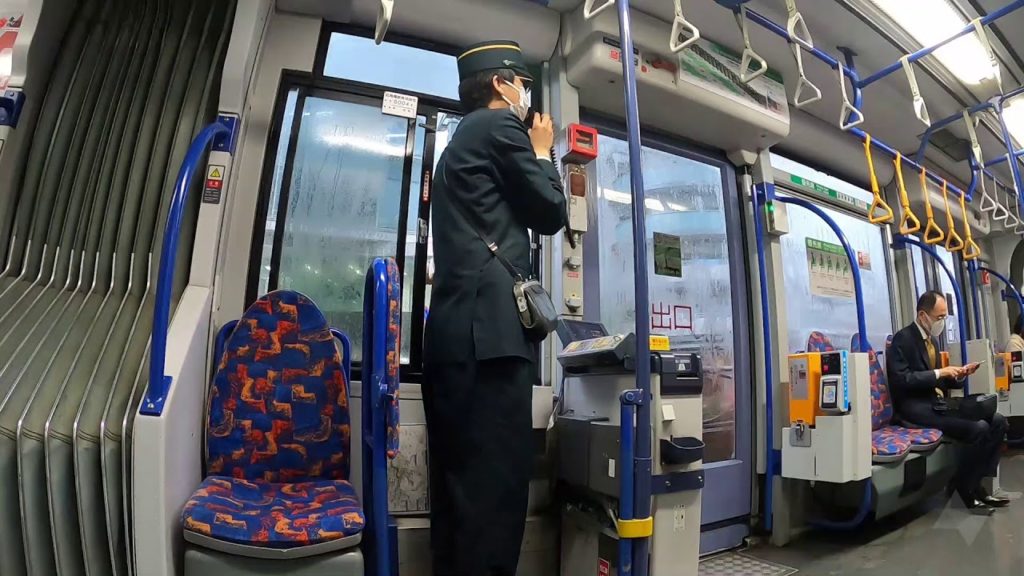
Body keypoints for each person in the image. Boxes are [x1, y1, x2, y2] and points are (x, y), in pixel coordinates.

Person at [422, 40, 567, 576]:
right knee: (497, 491)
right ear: (503, 86)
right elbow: (550, 211)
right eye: (522, 84)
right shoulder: (501, 128)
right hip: (491, 345)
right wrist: (542, 149)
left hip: (454, 340)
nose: (526, 94)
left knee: (459, 493)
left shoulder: (458, 143)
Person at [887, 290, 1010, 512]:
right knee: (979, 428)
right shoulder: (903, 339)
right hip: (914, 408)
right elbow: (901, 380)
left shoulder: (931, 341)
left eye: (945, 317)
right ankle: (964, 488)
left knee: (999, 421)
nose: (942, 322)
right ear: (923, 315)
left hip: (936, 404)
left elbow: (938, 379)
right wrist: (940, 373)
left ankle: (978, 483)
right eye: (939, 317)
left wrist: (958, 375)